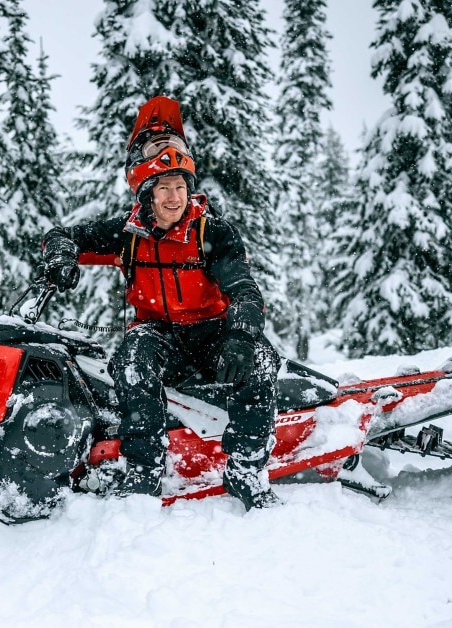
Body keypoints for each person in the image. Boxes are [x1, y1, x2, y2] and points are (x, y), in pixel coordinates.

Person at [41, 95, 282, 510]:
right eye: (165, 188)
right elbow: (63, 235)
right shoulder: (127, 233)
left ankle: (245, 470)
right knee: (131, 359)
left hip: (213, 332)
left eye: (181, 187)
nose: (175, 197)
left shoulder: (213, 233)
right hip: (157, 335)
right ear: (147, 193)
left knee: (261, 360)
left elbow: (244, 289)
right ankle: (144, 470)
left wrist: (241, 336)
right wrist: (60, 255)